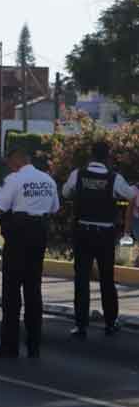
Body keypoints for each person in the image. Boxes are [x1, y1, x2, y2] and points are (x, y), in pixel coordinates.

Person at [0, 145, 59, 358]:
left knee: (11, 294)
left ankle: (9, 346)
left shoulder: (14, 180)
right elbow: (55, 208)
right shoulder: (48, 180)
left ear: (16, 161)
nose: (10, 168)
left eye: (10, 164)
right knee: (33, 291)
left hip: (18, 237)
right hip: (39, 236)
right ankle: (34, 345)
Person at [61, 140, 135, 338]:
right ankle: (110, 323)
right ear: (108, 157)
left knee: (82, 280)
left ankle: (81, 325)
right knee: (107, 280)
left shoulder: (78, 174)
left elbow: (66, 192)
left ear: (92, 156)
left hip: (83, 232)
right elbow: (130, 195)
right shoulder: (114, 178)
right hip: (105, 235)